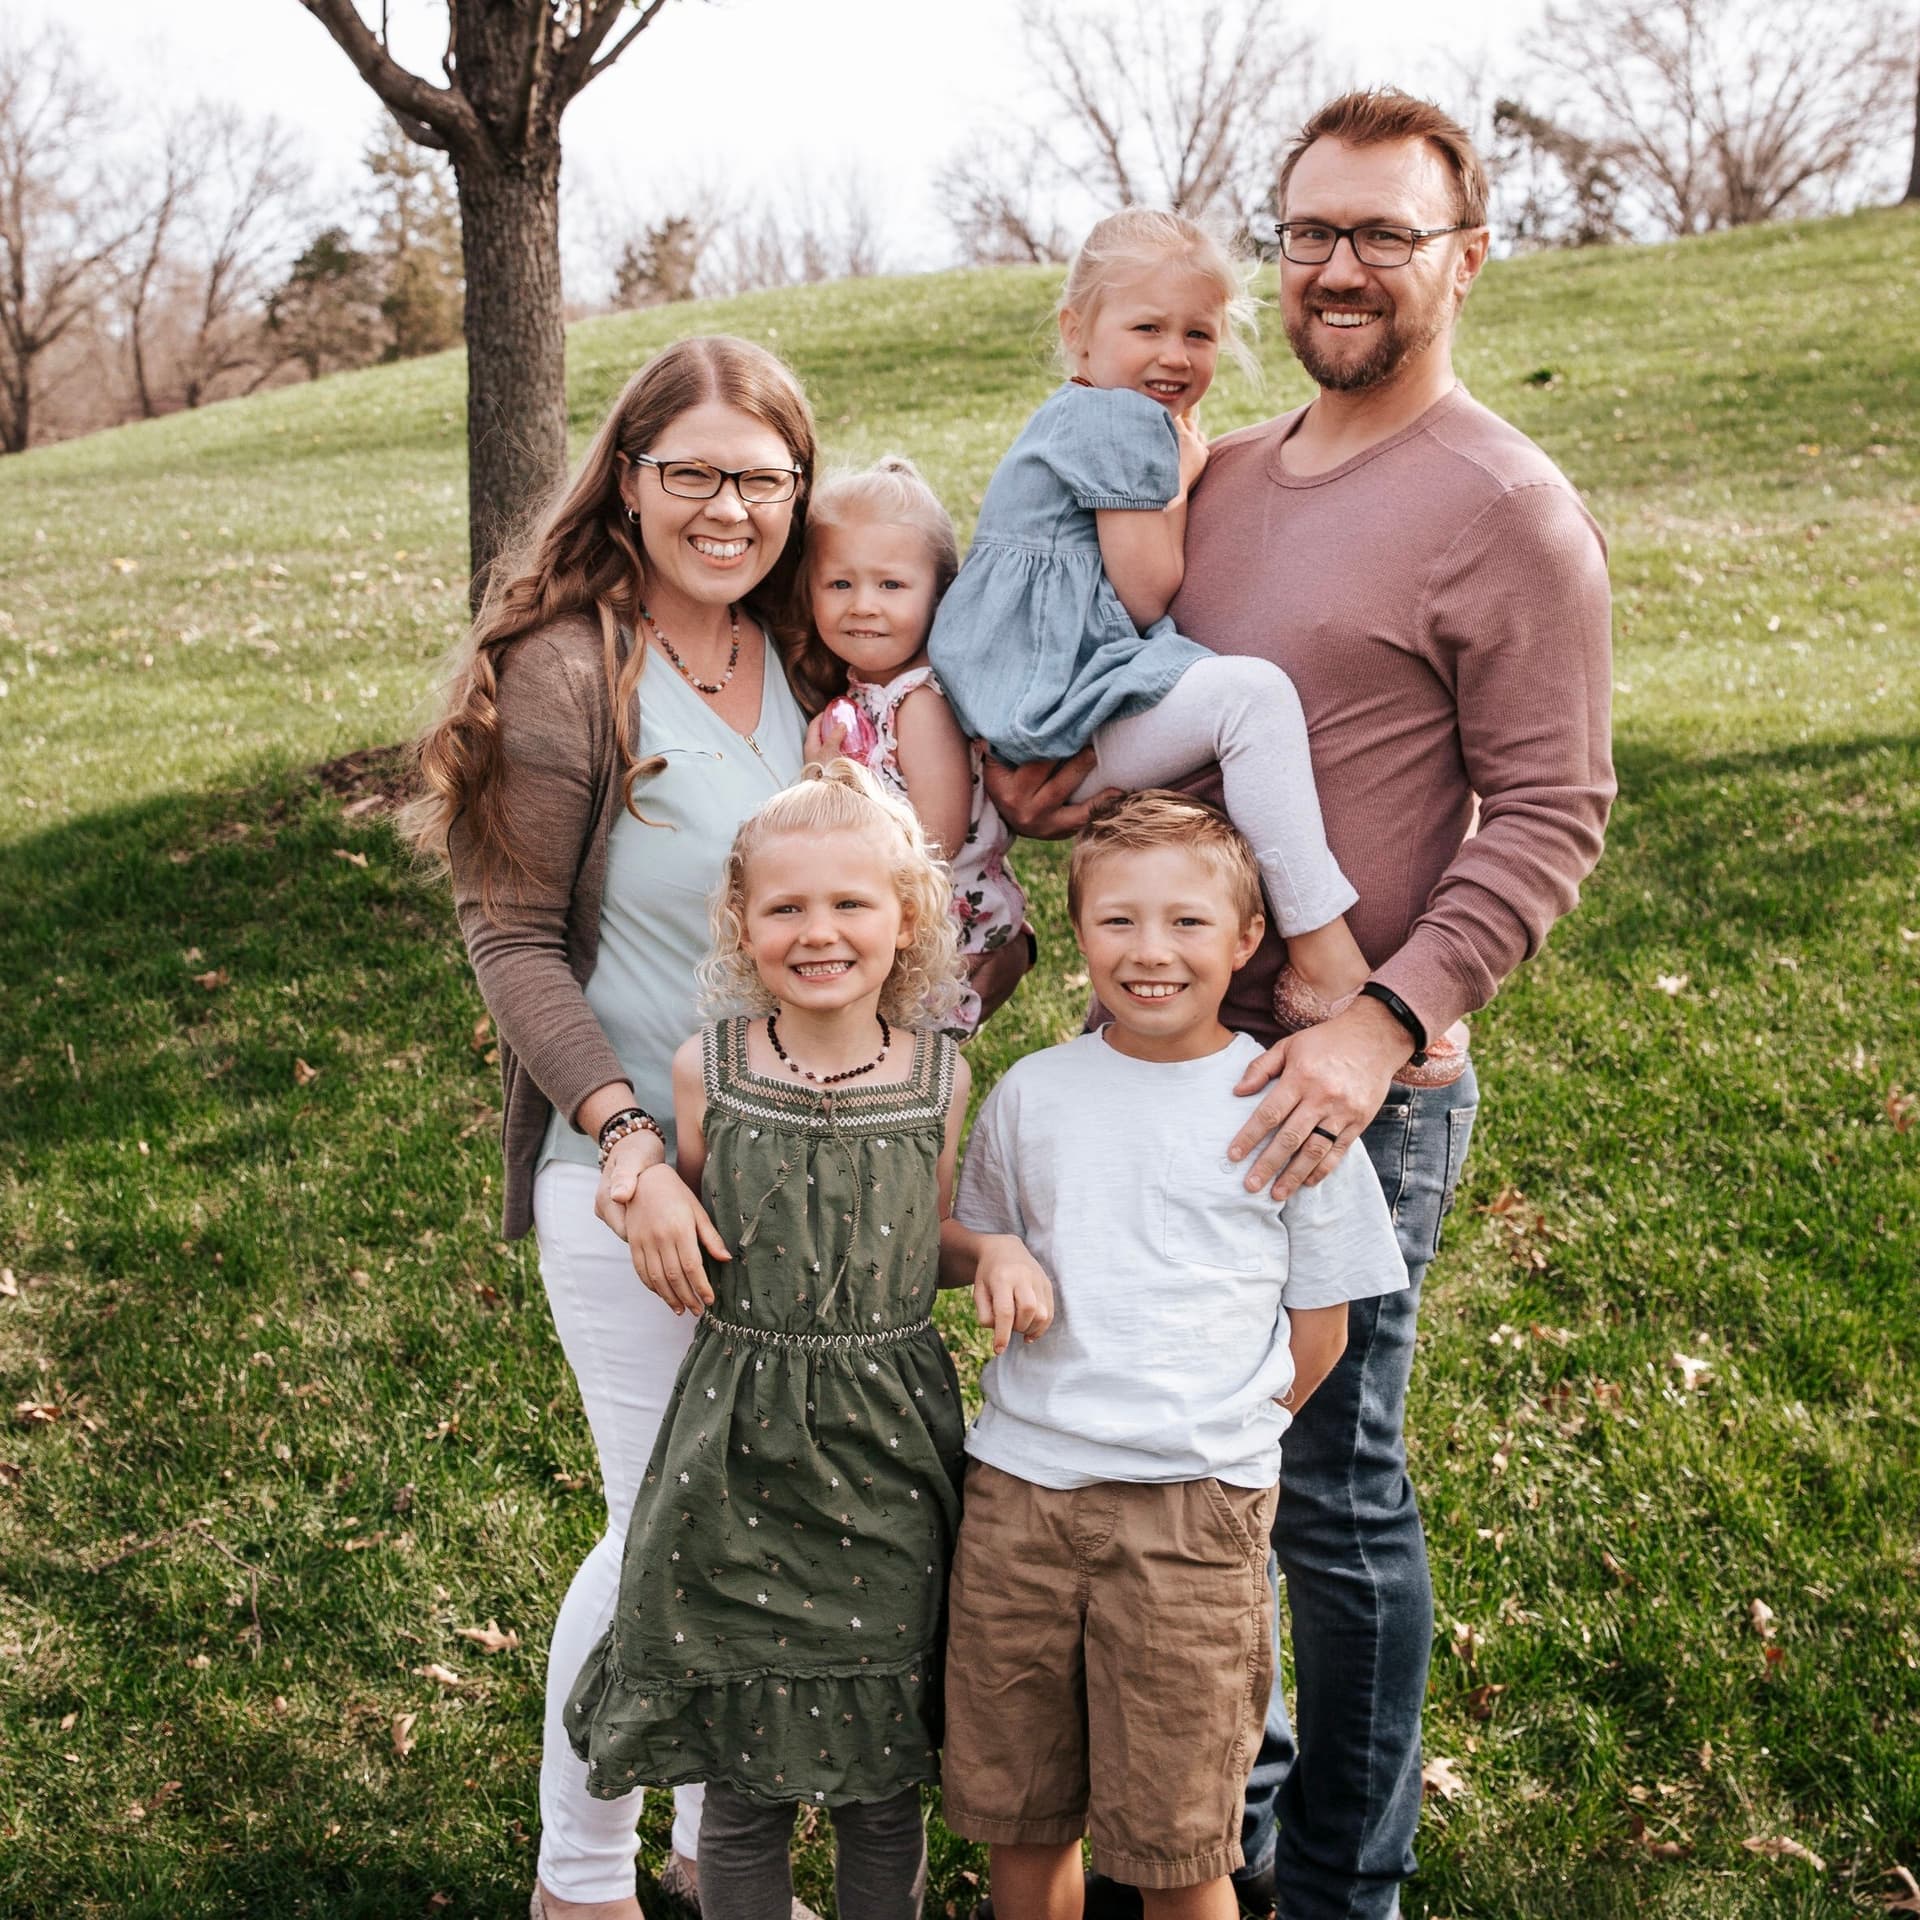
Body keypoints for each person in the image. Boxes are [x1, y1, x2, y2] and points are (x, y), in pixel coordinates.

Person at [987, 91, 1615, 1920]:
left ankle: (1343, 1886)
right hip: (1160, 1062)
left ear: (1467, 258)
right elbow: (1140, 699)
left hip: (1349, 1081)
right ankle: (1218, 1844)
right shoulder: (1220, 470)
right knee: (1184, 1481)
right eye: (1311, 231)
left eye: (1384, 234)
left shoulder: (1508, 508)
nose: (1340, 267)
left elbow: (1555, 811)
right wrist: (1047, 784)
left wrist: (1381, 1023)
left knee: (1327, 1488)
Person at [408, 335, 824, 1920]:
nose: (729, 507)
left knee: (762, 1534)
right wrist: (627, 1137)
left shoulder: (813, 658)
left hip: (804, 1180)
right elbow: (512, 936)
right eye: (692, 472)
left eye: (761, 478)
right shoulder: (573, 667)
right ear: (629, 481)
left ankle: (718, 1866)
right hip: (629, 1180)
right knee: (666, 1529)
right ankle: (579, 1882)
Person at [938, 792, 1407, 1920]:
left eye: (1187, 923)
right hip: (1019, 1502)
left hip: (1193, 1517)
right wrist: (990, 1249)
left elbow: (1323, 1328)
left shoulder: (1288, 1103)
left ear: (1247, 939)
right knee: (1021, 1819)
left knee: (1182, 1845)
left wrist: (1222, 1435)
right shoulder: (1034, 1093)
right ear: (1078, 932)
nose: (1151, 952)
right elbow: (962, 1240)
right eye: (1119, 921)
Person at [563, 759, 976, 1920]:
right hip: (740, 1447)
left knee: (883, 1783)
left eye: (851, 903)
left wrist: (991, 1253)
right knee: (743, 1783)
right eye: (786, 906)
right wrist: (637, 1174)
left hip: (889, 1451)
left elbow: (924, 1235)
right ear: (743, 925)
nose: (819, 931)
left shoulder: (940, 1078)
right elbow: (693, 1217)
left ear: (907, 919)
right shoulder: (708, 1070)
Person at [928, 207, 1391, 1029]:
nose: (1175, 355)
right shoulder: (1122, 421)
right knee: (1252, 699)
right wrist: (1179, 479)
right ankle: (1323, 955)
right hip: (1057, 709)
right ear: (1077, 333)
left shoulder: (1076, 412)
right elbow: (1147, 590)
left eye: (1198, 334)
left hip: (1037, 702)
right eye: (1147, 328)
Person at [794, 456, 1030, 1034]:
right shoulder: (871, 691)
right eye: (840, 583)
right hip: (896, 915)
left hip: (939, 929)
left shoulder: (918, 702)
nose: (863, 604)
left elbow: (937, 838)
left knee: (897, 1064)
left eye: (891, 585)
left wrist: (828, 785)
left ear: (941, 594)